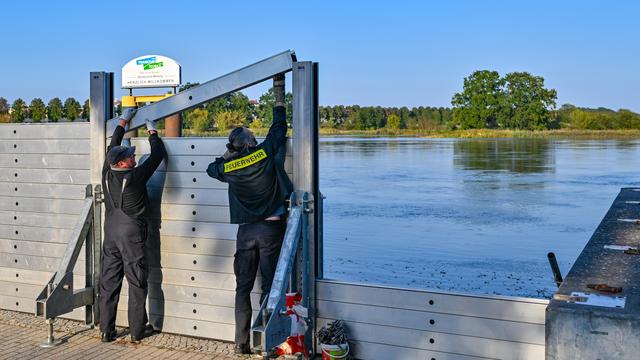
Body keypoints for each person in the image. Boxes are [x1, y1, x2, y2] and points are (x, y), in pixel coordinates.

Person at [206, 74, 292, 354]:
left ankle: (241, 343)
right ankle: (268, 341)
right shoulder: (265, 153)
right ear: (251, 143)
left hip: (245, 233)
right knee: (270, 287)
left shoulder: (229, 168)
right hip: (271, 230)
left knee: (242, 289)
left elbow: (212, 168)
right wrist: (279, 98)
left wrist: (229, 154)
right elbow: (279, 129)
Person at [99, 108, 167, 343]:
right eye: (130, 156)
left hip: (110, 232)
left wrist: (122, 121)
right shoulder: (136, 176)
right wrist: (153, 132)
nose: (134, 157)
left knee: (109, 281)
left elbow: (113, 146)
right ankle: (137, 331)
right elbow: (158, 154)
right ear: (123, 163)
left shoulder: (106, 172)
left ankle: (106, 331)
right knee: (137, 281)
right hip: (132, 235)